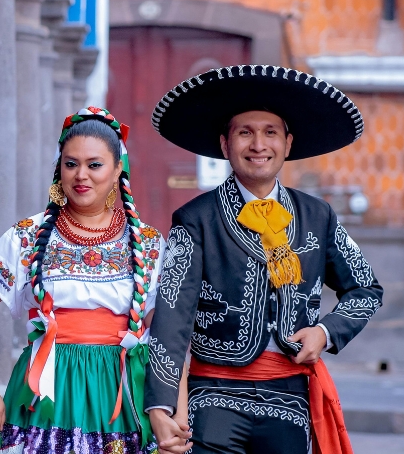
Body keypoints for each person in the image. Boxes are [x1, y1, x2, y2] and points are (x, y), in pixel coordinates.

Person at [144, 65, 384, 454]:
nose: (258, 145)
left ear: (288, 144)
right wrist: (161, 405)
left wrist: (324, 332)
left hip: (290, 399)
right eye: (245, 133)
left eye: (270, 132)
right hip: (214, 396)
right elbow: (172, 318)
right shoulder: (195, 219)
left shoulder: (316, 216)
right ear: (225, 145)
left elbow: (366, 289)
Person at [0, 107, 192, 454]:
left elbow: (167, 340)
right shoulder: (28, 236)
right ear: (59, 168)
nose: (81, 175)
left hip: (119, 396)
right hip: (43, 395)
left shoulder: (149, 244)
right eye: (71, 163)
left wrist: (176, 411)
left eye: (95, 164)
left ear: (117, 169)